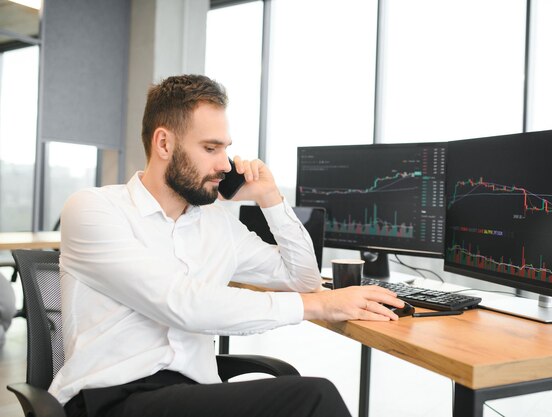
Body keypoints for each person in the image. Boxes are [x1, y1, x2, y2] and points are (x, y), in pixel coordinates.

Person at [53, 74, 404, 417]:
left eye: (226, 149)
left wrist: (270, 198)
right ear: (164, 144)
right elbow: (182, 304)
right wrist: (318, 306)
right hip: (112, 399)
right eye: (210, 148)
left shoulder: (216, 223)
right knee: (312, 397)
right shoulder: (93, 209)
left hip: (194, 394)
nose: (224, 164)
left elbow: (303, 280)